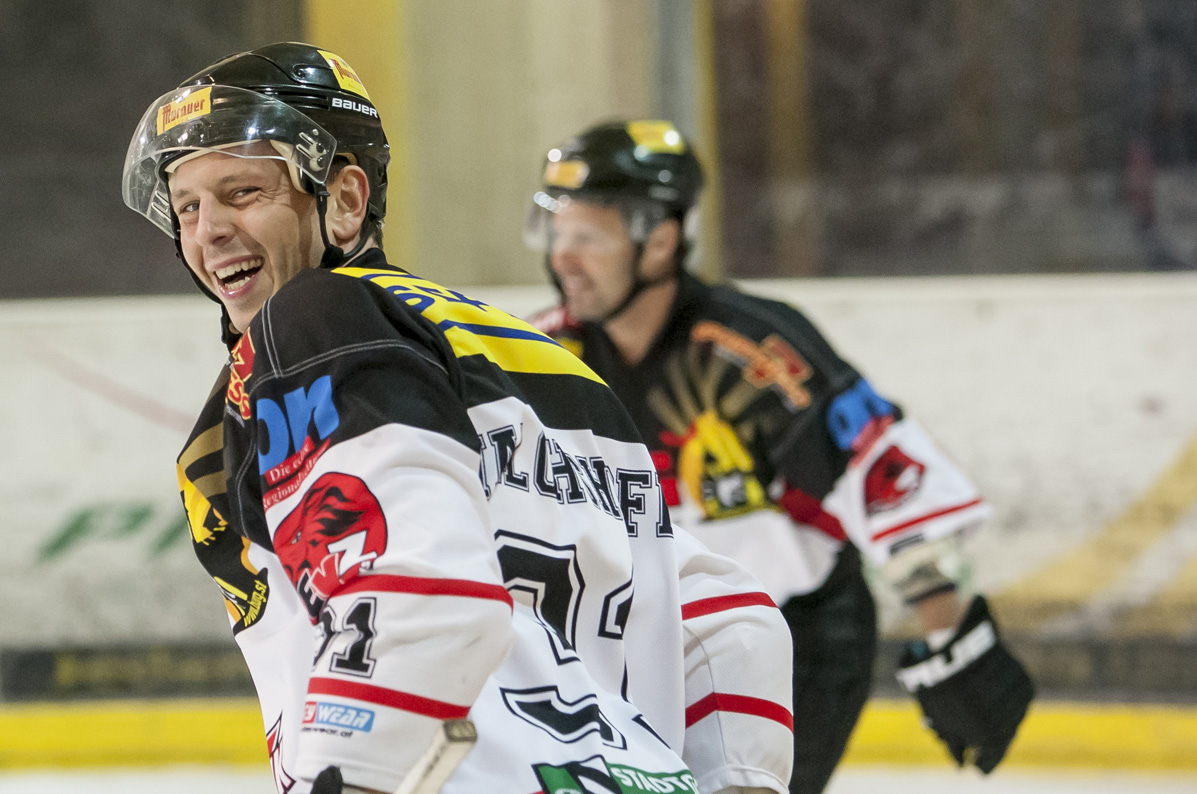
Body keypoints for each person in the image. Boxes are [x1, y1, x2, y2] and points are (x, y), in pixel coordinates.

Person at [122, 45, 794, 794]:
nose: (207, 231)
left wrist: (356, 774)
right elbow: (728, 623)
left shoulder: (313, 325)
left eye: (243, 191)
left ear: (344, 199)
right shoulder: (543, 358)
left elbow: (416, 588)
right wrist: (739, 780)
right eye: (187, 205)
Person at [527, 120, 1035, 794]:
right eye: (556, 232)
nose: (563, 257)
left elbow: (882, 476)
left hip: (800, 636)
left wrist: (952, 636)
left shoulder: (754, 352)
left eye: (589, 238)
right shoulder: (545, 357)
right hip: (641, 634)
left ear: (661, 241)